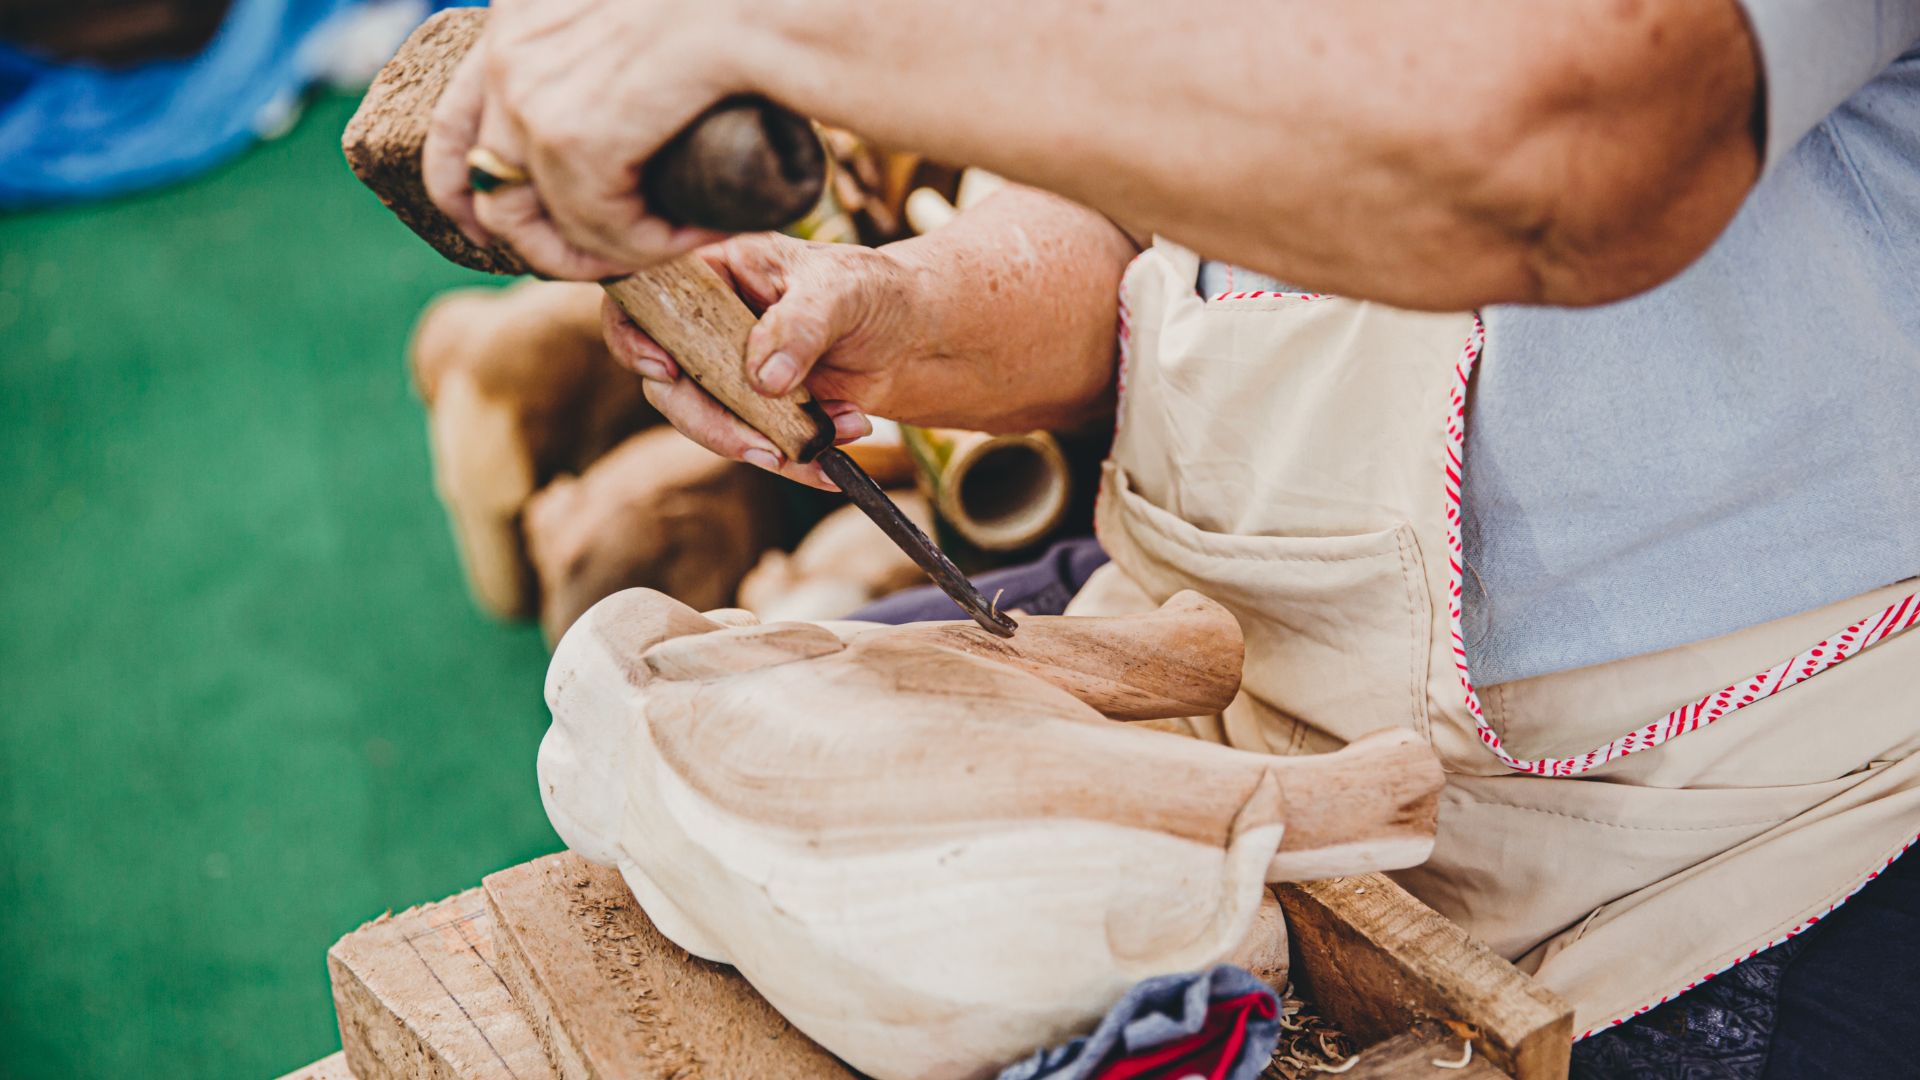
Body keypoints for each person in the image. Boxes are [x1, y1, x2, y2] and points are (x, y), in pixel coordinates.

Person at [424, 1, 1920, 1075]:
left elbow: (1565, 146)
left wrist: (780, 27)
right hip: (1218, 648)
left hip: (1725, 822)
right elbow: (1138, 222)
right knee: (695, 785)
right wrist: (914, 310)